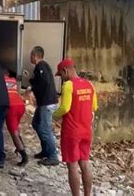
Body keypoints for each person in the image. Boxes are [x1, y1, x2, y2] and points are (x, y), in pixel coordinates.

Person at [53, 59, 98, 196]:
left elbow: (65, 108)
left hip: (71, 132)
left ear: (65, 71)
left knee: (72, 165)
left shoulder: (68, 85)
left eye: (61, 75)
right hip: (86, 131)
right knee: (85, 163)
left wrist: (54, 114)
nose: (61, 78)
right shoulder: (90, 85)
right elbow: (94, 107)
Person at [25, 46, 59, 166]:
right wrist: (32, 82)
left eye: (31, 55)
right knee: (36, 124)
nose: (30, 57)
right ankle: (46, 150)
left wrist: (32, 89)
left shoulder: (41, 66)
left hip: (47, 102)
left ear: (35, 56)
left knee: (45, 128)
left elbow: (44, 82)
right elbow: (41, 81)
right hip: (43, 102)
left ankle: (53, 156)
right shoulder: (40, 67)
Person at [3, 69, 28, 167]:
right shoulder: (12, 80)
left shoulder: (0, 80)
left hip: (11, 107)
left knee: (13, 132)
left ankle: (24, 156)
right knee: (16, 128)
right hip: (20, 105)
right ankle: (20, 147)